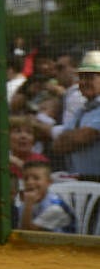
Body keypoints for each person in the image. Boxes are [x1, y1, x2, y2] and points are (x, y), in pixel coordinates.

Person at [52, 51, 100, 181]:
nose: (83, 82)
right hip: (82, 182)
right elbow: (57, 146)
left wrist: (73, 137)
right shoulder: (82, 111)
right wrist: (77, 137)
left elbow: (85, 136)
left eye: (90, 77)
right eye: (81, 77)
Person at [15, 154, 76, 233]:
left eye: (36, 178)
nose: (29, 182)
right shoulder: (27, 200)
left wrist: (28, 206)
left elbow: (27, 234)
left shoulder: (55, 208)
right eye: (26, 178)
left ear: (49, 181)